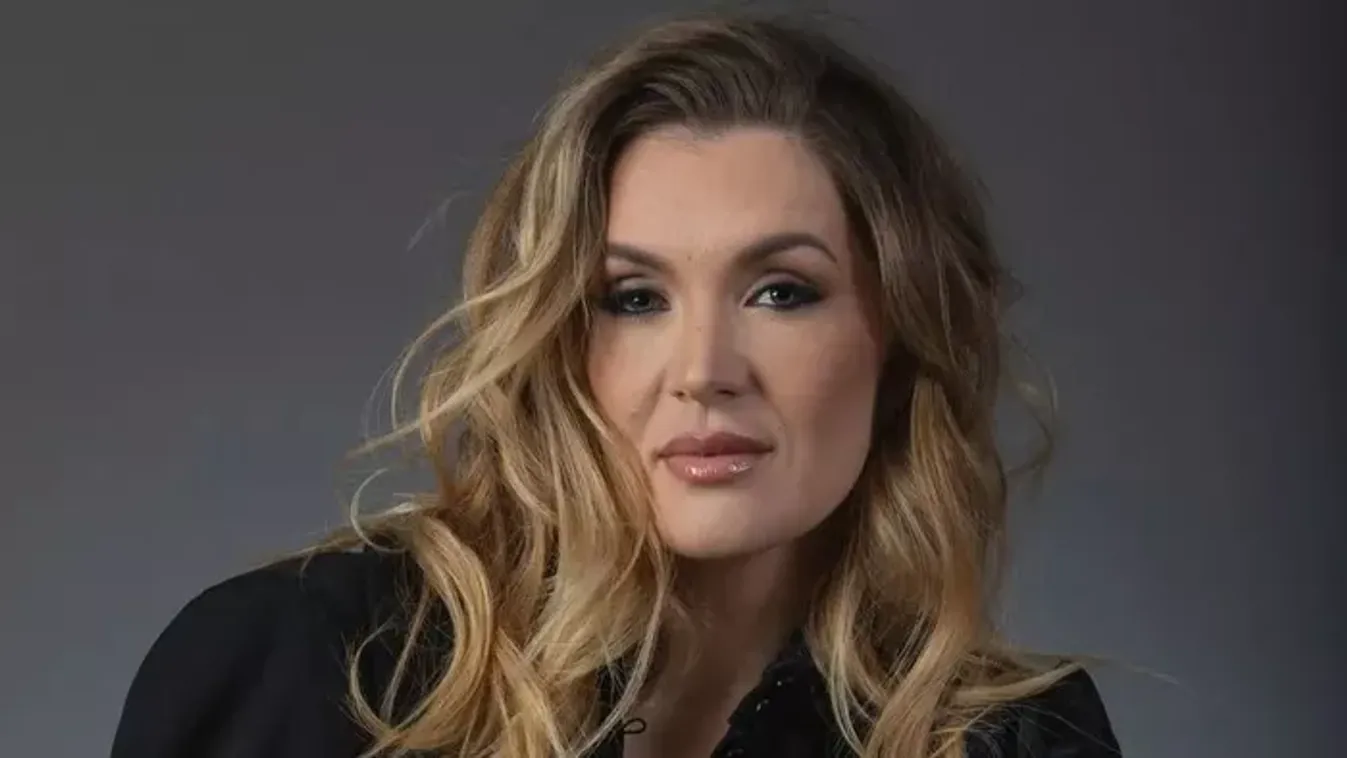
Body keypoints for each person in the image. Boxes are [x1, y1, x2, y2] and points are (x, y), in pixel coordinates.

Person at [110, 12, 1121, 758]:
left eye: (780, 291)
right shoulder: (306, 668)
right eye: (633, 298)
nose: (703, 372)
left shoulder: (1011, 739)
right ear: (558, 337)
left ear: (894, 336)